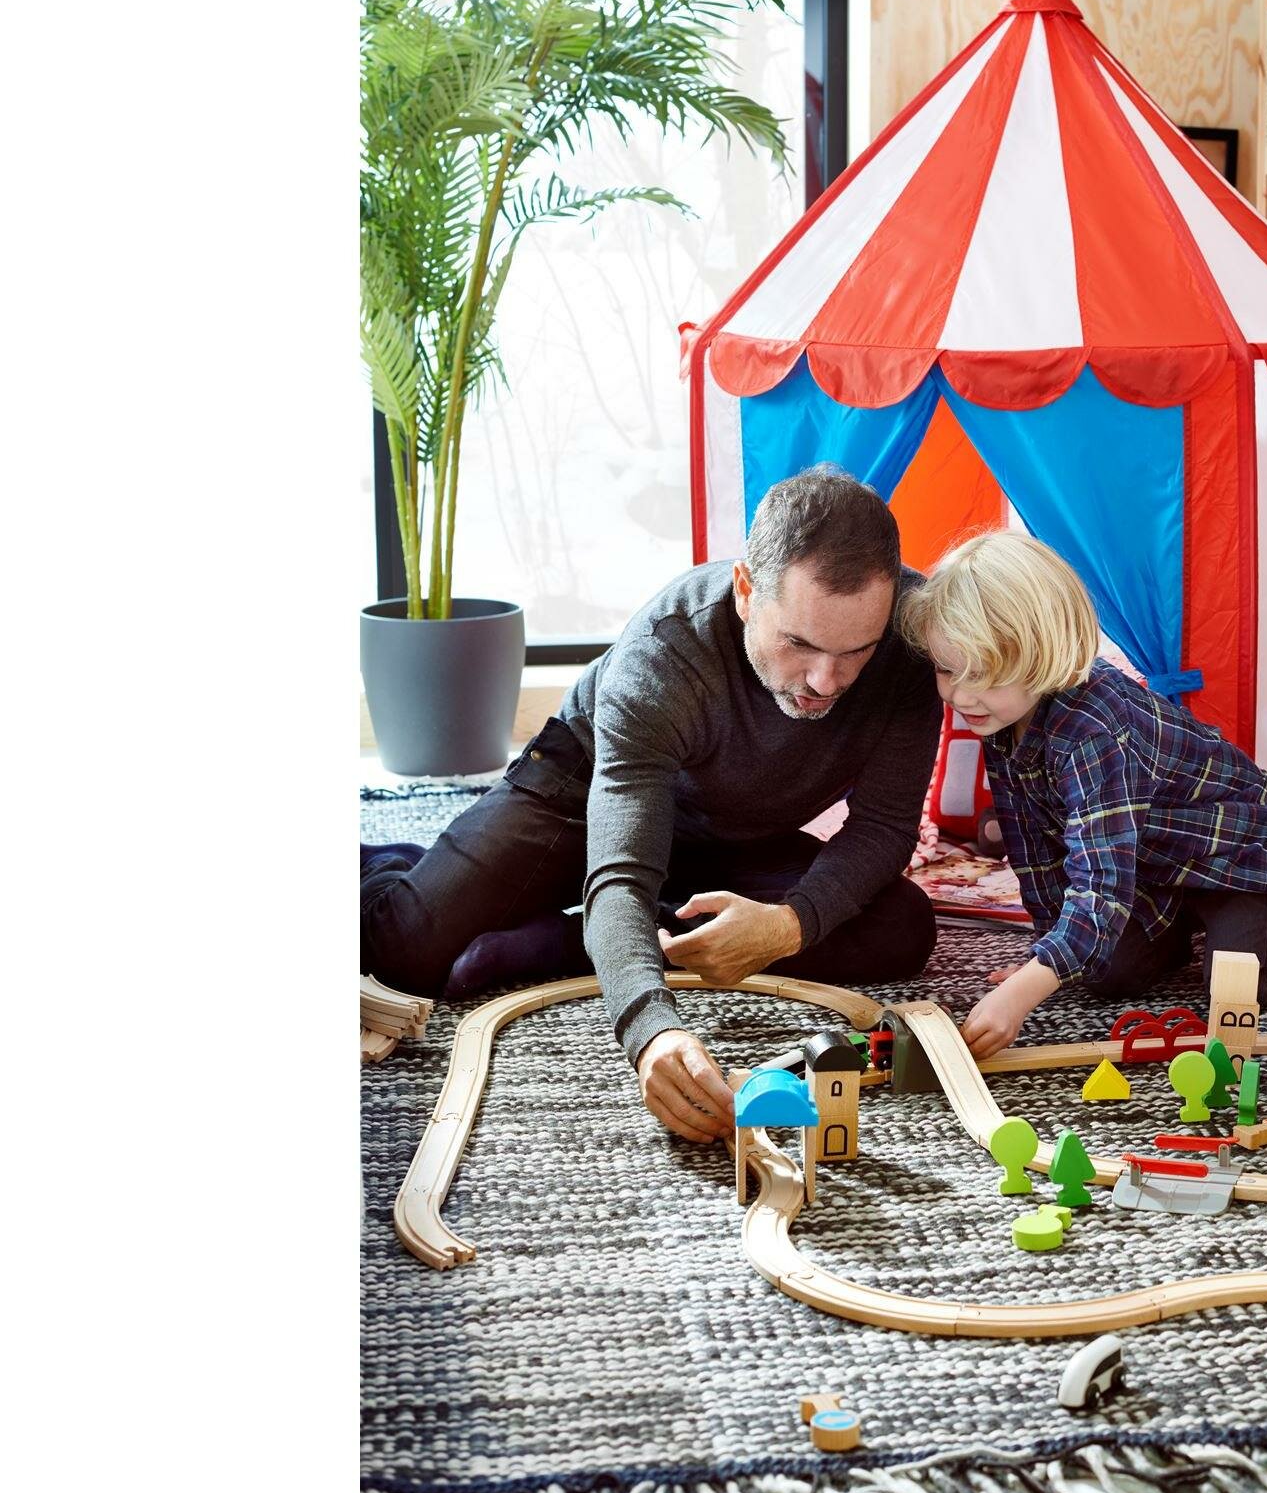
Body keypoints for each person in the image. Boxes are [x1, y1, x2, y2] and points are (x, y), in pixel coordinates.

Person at [360, 466, 943, 1142]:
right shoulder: (664, 652)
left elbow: (884, 827)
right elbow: (623, 869)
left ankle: (574, 940)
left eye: (856, 652)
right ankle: (400, 865)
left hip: (737, 833)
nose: (825, 681)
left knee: (901, 927)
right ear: (746, 591)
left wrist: (787, 926)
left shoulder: (912, 635)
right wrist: (650, 1028)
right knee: (405, 953)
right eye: (800, 644)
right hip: (582, 798)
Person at [898, 531, 1267, 1058]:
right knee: (1101, 972)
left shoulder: (1094, 730)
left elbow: (1099, 888)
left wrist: (1024, 992)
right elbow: (1032, 848)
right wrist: (1042, 959)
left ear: (1041, 655)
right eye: (946, 669)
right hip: (1151, 869)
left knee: (1234, 985)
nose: (960, 694)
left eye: (983, 674)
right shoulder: (1000, 715)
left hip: (1238, 861)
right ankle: (1175, 926)